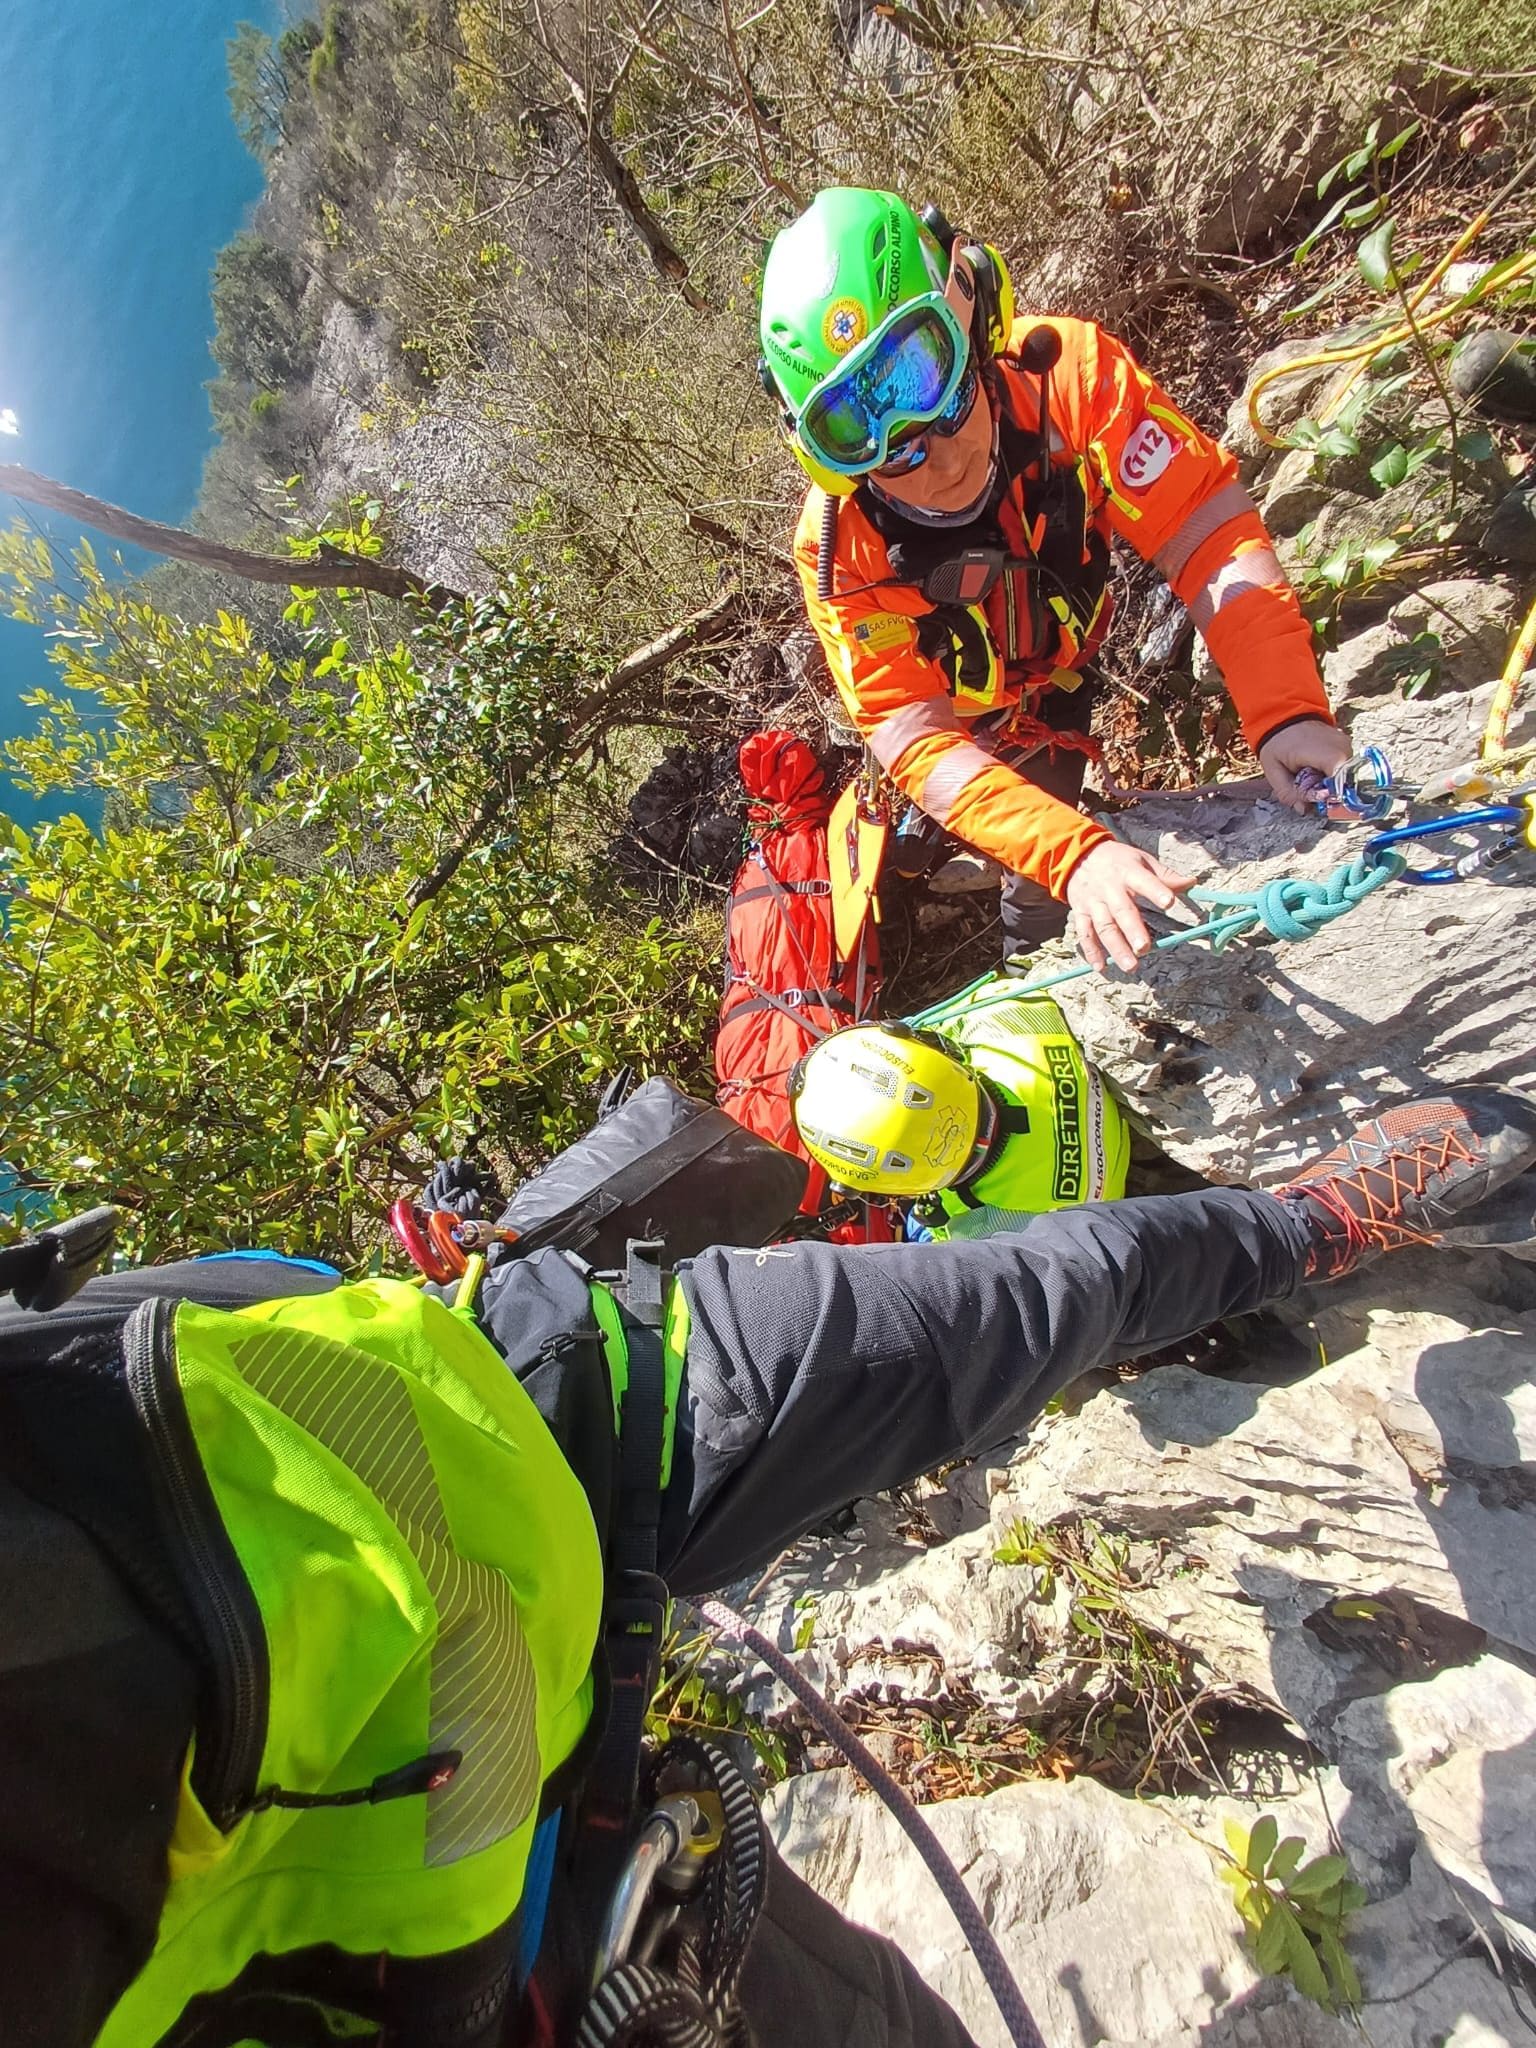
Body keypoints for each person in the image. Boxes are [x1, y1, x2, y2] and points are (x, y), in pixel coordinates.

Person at [4, 1087, 1534, 2048]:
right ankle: (1305, 1223)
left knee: (1054, 1287)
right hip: (529, 1876)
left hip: (539, 1413)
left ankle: (1312, 1221)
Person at [757, 186, 1350, 972]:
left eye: (918, 375)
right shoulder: (842, 550)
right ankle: (1036, 970)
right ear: (822, 452)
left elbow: (1200, 526)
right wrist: (1073, 855)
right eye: (857, 429)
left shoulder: (1069, 379)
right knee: (1043, 888)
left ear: (971, 304)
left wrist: (1287, 712)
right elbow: (915, 734)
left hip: (1059, 664)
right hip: (973, 719)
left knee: (1059, 824)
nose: (927, 455)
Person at [789, 992, 1129, 1234]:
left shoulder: (993, 1229)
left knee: (919, 1232)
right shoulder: (1004, 1021)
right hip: (1110, 1117)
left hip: (1118, 1202)